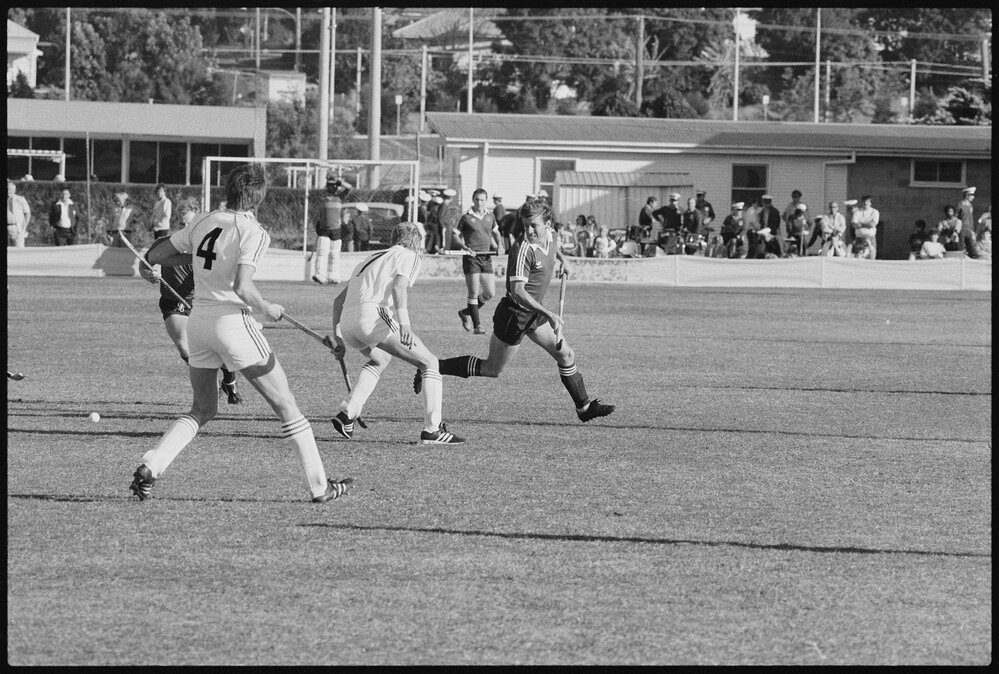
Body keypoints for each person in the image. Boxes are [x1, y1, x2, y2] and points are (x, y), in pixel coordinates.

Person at [129, 164, 353, 503]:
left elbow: (157, 254)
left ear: (228, 190)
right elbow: (243, 287)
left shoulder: (203, 221)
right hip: (232, 322)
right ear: (259, 198)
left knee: (202, 409)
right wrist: (268, 308)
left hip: (199, 322)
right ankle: (321, 487)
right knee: (286, 403)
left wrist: (183, 261)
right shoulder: (254, 231)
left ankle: (151, 466)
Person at [415, 199, 614, 424]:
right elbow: (518, 291)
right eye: (526, 225)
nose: (529, 231)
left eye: (534, 226)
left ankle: (584, 408)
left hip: (534, 314)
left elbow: (552, 246)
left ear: (548, 225)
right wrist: (549, 314)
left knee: (566, 355)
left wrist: (563, 260)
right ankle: (433, 366)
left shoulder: (552, 235)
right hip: (514, 315)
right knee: (492, 369)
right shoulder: (522, 249)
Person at [329, 221, 465, 445]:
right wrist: (405, 324)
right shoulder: (410, 256)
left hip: (348, 323)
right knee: (430, 363)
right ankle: (433, 431)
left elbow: (337, 302)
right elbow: (399, 286)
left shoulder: (370, 258)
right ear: (416, 242)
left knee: (380, 359)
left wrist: (338, 338)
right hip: (372, 317)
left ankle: (347, 414)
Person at [139, 197, 243, 405]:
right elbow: (144, 264)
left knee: (219, 349)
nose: (185, 229)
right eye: (181, 224)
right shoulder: (164, 244)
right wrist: (149, 275)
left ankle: (229, 380)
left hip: (202, 303)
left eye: (189, 224)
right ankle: (210, 384)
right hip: (173, 302)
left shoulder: (208, 249)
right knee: (184, 345)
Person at [455, 188, 503, 335]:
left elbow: (496, 233)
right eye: (477, 199)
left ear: (486, 200)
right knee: (474, 292)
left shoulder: (490, 216)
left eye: (482, 200)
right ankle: (478, 326)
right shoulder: (466, 217)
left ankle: (465, 312)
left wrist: (500, 246)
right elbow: (455, 236)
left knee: (490, 292)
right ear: (473, 200)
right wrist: (465, 247)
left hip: (486, 258)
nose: (479, 202)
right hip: (471, 258)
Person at [311, 177, 349, 285]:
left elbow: (350, 188)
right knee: (322, 252)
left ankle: (333, 277)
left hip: (336, 229)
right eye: (329, 185)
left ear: (336, 186)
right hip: (324, 228)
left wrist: (341, 182)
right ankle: (319, 275)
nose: (331, 187)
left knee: (334, 254)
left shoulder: (340, 197)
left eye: (333, 185)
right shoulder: (323, 196)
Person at [851, 195, 880, 259]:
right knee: (858, 258)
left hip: (871, 238)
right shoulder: (857, 212)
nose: (865, 203)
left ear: (871, 203)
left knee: (871, 258)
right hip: (859, 239)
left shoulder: (875, 212)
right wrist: (867, 224)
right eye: (864, 201)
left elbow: (872, 225)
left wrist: (860, 224)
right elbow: (854, 225)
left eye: (867, 201)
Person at [7, 179, 31, 247]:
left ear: (14, 191)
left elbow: (27, 213)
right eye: (7, 189)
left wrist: (24, 226)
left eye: (10, 190)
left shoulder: (20, 199)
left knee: (18, 248)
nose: (8, 191)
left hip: (17, 228)